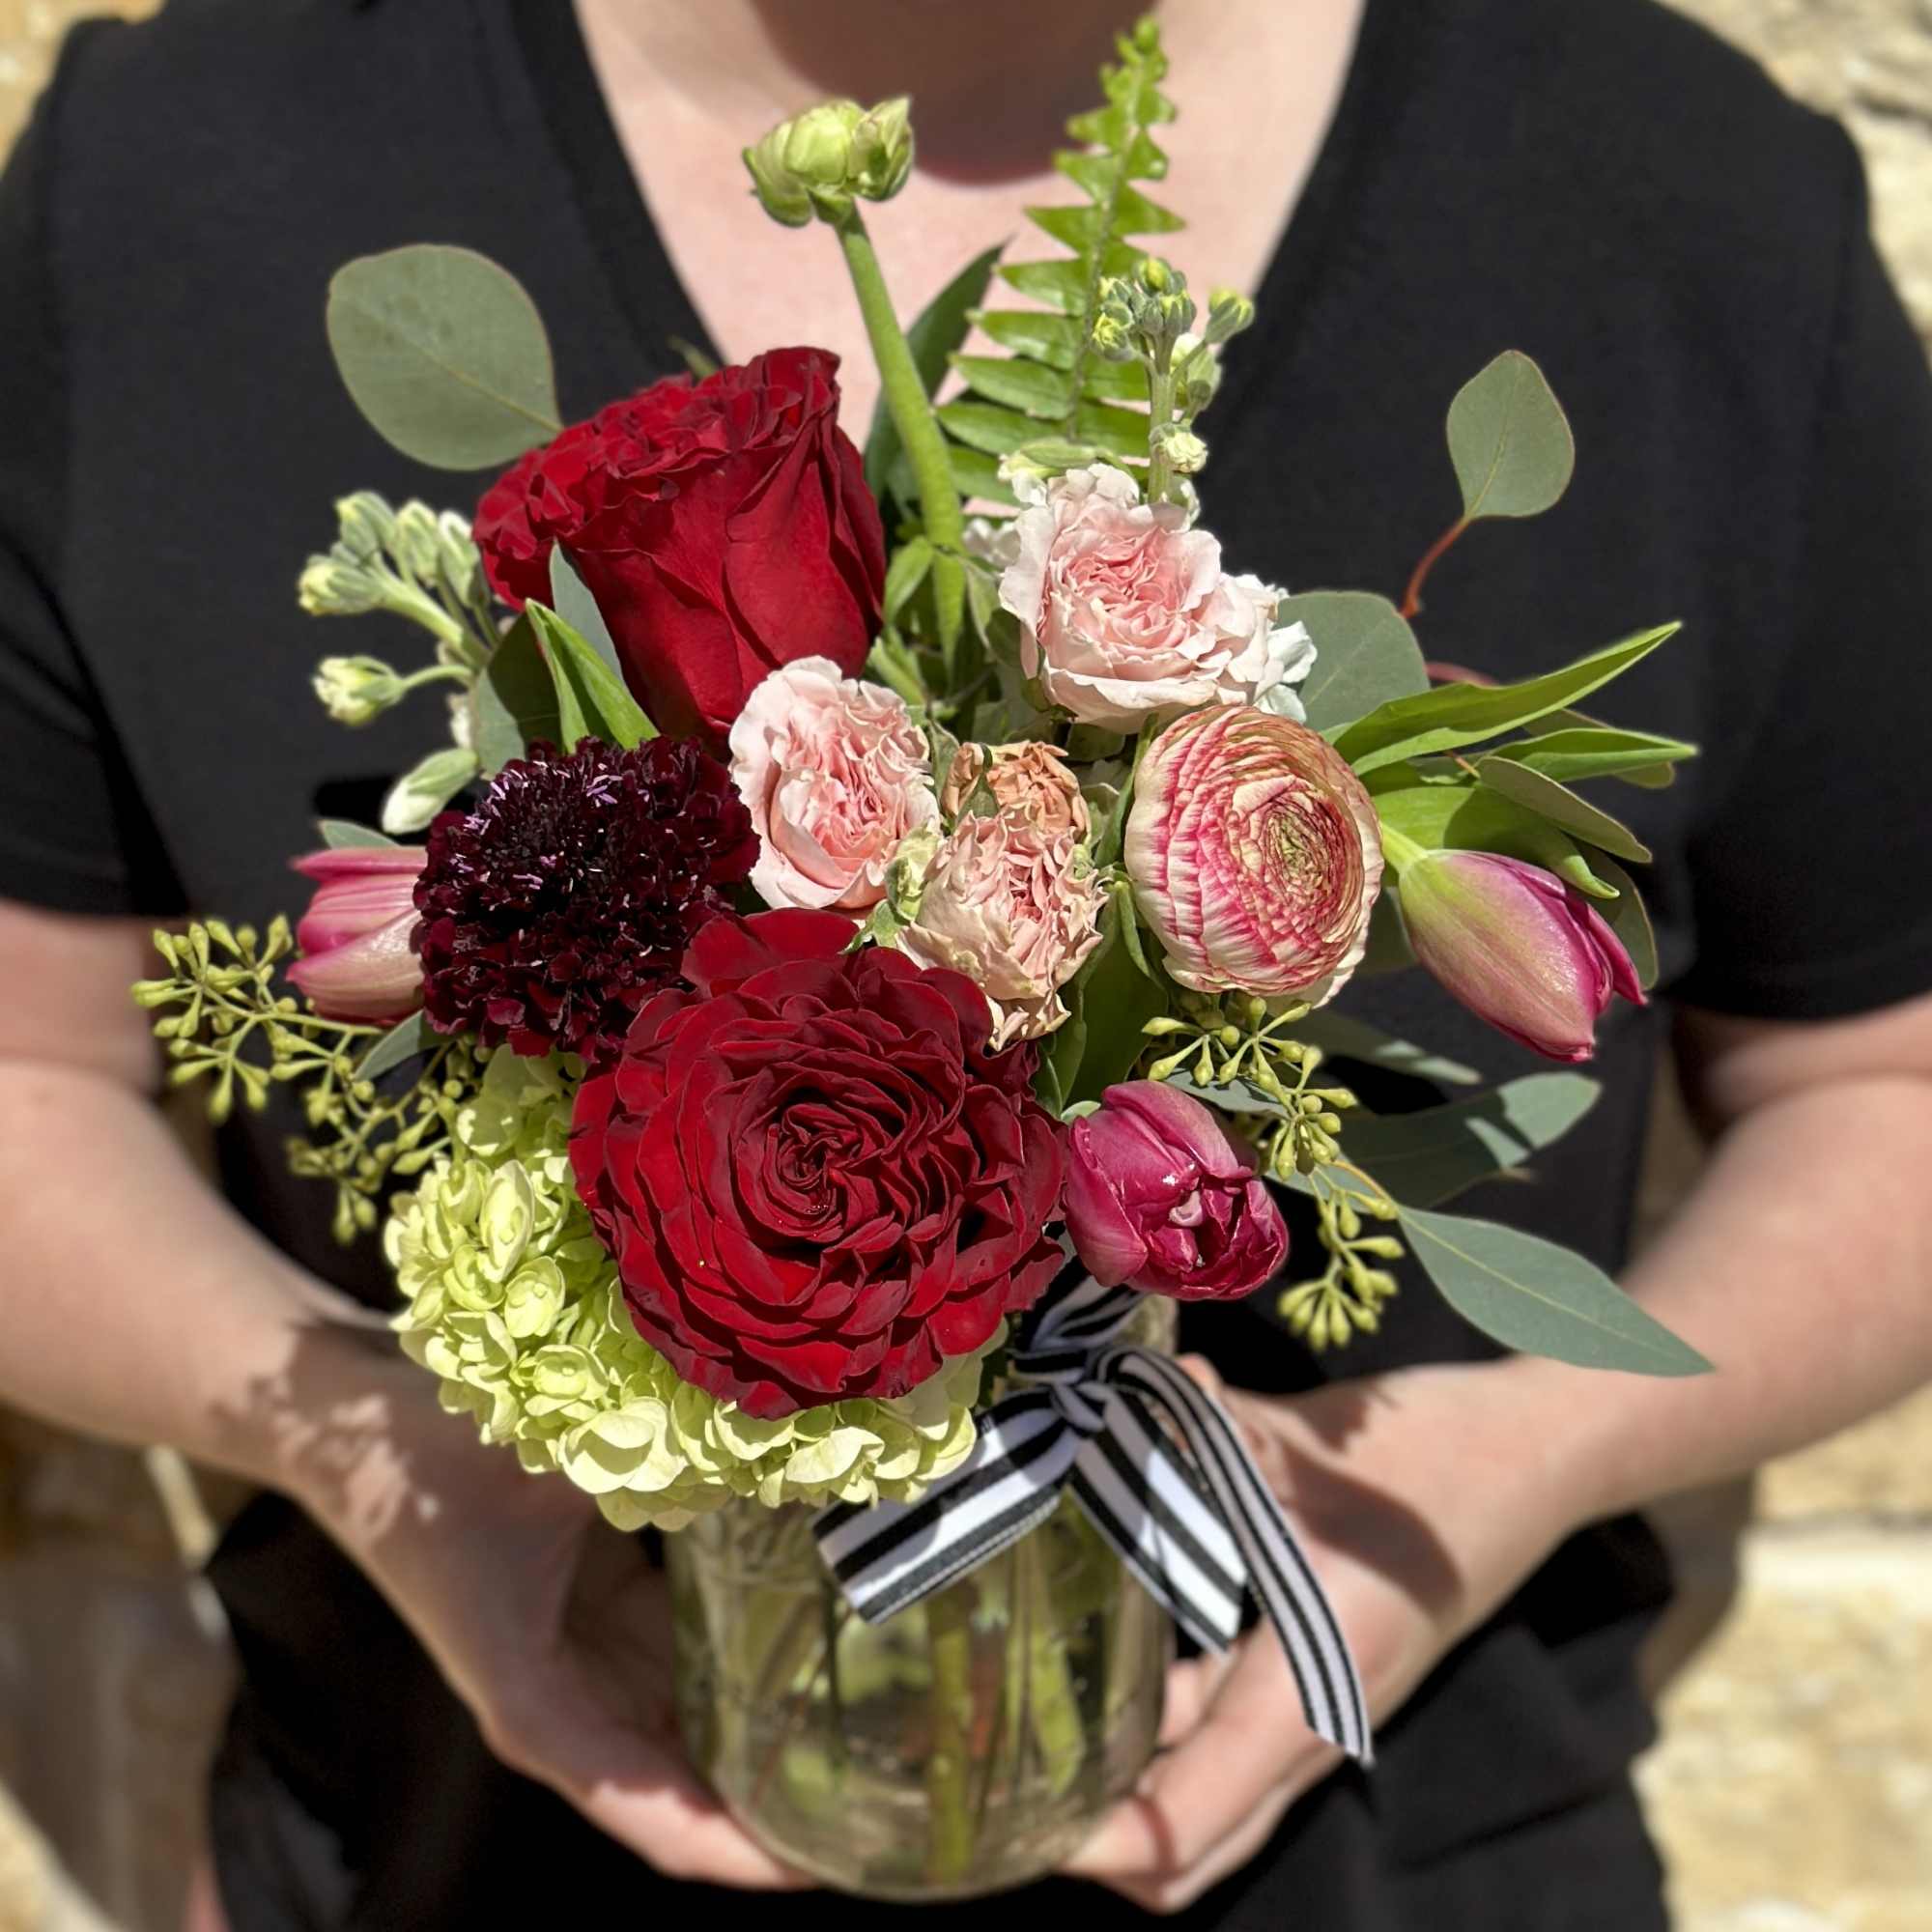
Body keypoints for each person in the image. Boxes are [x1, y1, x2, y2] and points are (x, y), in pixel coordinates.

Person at [2, 0, 1930, 1925]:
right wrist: (389, 1461)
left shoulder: (1681, 198)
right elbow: (27, 1079)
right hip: (451, 1874)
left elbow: (1889, 1087)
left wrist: (1522, 1454)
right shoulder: (184, 179)